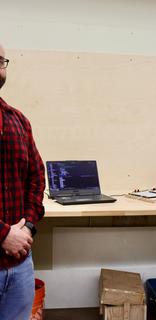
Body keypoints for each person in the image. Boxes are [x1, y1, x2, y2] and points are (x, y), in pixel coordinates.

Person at [0, 44, 45, 320]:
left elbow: (36, 180)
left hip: (19, 265)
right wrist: (4, 234)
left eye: (0, 60)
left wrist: (27, 226)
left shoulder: (19, 121)